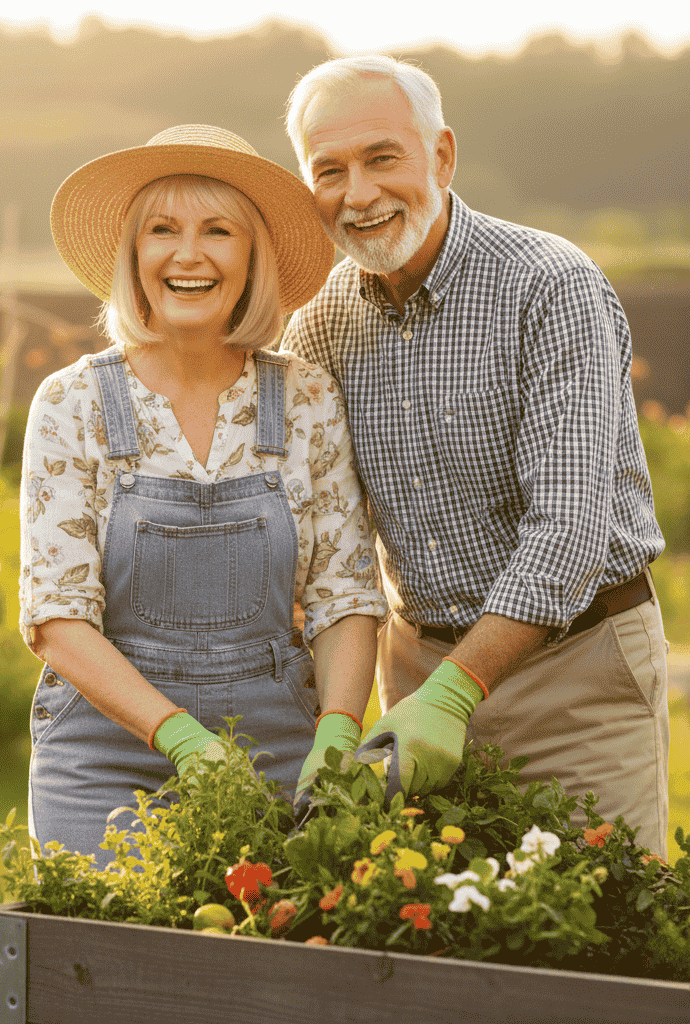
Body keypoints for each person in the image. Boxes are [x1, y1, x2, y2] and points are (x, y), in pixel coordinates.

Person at [281, 56, 670, 855]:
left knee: (606, 944)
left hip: (578, 672)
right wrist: (343, 714)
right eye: (330, 170)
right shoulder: (317, 329)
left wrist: (456, 692)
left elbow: (568, 528)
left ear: (443, 157)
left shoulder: (549, 286)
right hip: (416, 670)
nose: (358, 193)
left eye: (382, 158)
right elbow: (327, 546)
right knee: (442, 954)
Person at [20, 124, 388, 866]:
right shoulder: (74, 402)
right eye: (163, 230)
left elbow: (345, 596)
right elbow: (57, 616)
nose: (187, 255)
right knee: (104, 965)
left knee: (270, 969)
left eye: (217, 231)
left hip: (278, 745)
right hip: (105, 754)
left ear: (253, 258)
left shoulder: (308, 397)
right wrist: (177, 734)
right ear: (134, 255)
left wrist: (339, 734)